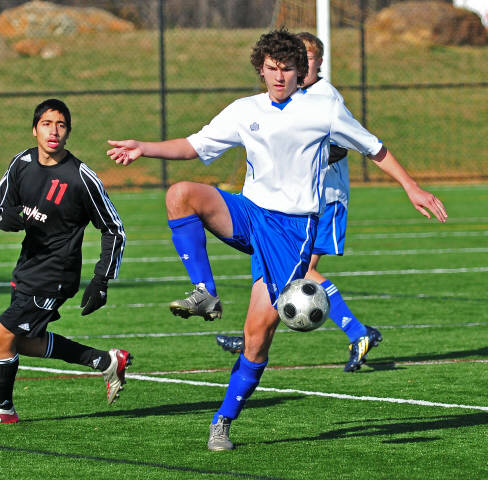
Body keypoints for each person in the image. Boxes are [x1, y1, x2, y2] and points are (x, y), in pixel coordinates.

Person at [106, 29, 447, 450]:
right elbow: (194, 145)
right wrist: (144, 147)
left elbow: (374, 148)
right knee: (180, 195)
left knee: (256, 338)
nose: (279, 76)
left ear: (300, 71)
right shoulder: (244, 110)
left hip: (292, 231)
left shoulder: (323, 108)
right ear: (261, 69)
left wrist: (412, 187)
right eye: (272, 68)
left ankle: (222, 420)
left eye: (287, 68)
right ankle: (205, 292)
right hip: (250, 213)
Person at [216, 32, 382, 372]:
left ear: (316, 62)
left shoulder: (324, 97)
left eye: (305, 58)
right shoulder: (290, 98)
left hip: (324, 199)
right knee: (273, 269)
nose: (289, 68)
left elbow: (344, 145)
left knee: (301, 272)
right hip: (288, 205)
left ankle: (356, 331)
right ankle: (253, 335)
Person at [0, 98, 131, 425]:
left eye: (61, 125)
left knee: (0, 337)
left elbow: (114, 228)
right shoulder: (22, 163)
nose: (54, 131)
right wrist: (15, 219)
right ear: (34, 129)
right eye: (47, 124)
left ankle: (2, 408)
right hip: (27, 267)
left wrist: (101, 279)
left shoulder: (81, 177)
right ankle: (105, 361)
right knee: (23, 342)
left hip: (56, 274)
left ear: (68, 132)